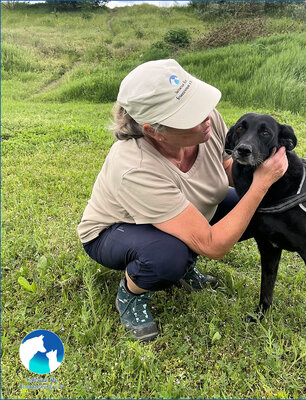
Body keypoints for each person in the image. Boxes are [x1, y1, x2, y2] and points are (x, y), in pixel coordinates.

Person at [78, 59, 288, 341]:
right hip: (115, 230)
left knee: (254, 211)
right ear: (153, 130)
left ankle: (187, 262)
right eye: (189, 115)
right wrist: (261, 185)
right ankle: (131, 294)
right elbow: (213, 246)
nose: (206, 118)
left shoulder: (207, 122)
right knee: (168, 256)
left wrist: (263, 171)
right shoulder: (134, 166)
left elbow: (226, 166)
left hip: (182, 208)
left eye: (199, 104)